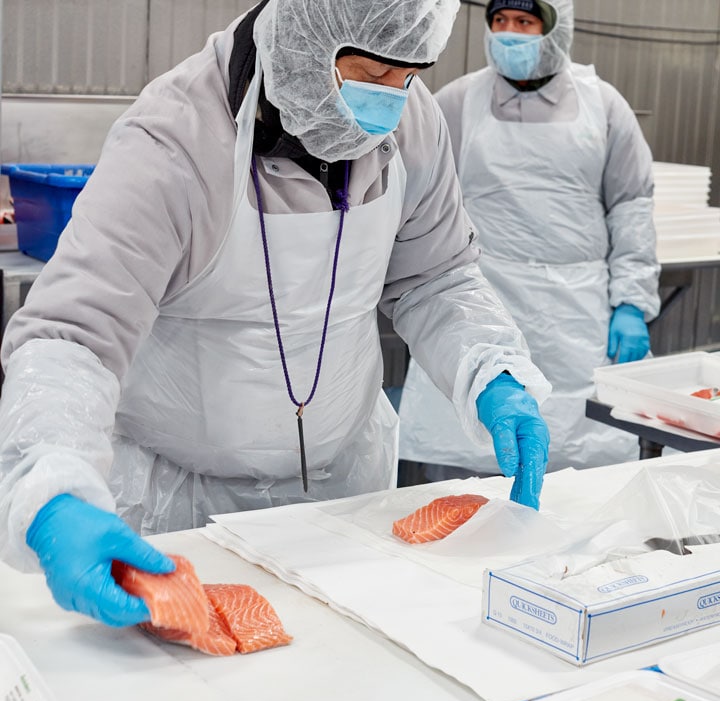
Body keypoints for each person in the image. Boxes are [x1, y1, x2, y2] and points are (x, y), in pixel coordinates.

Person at [0, 0, 551, 627]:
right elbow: (74, 334)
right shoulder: (176, 138)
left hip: (348, 499)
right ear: (304, 38)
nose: (392, 101)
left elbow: (435, 276)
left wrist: (490, 368)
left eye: (410, 74)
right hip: (180, 512)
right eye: (372, 74)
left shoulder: (412, 121)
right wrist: (54, 484)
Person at [399, 0, 661, 482]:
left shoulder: (604, 105)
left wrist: (631, 300)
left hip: (575, 314)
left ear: (556, 30)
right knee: (467, 462)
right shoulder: (456, 101)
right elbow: (419, 200)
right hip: (479, 298)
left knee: (581, 469)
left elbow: (631, 207)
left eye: (525, 22)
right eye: (499, 22)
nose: (509, 33)